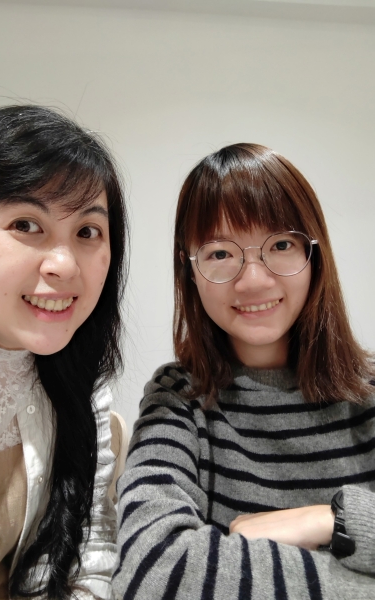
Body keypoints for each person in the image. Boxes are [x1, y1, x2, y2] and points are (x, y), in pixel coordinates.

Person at [113, 143, 375, 599]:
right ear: (189, 270)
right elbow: (150, 572)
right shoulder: (179, 399)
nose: (253, 280)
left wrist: (331, 520)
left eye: (281, 245)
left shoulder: (368, 392)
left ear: (314, 254)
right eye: (220, 254)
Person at [0, 105, 127, 600]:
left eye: (87, 232)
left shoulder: (87, 393)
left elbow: (88, 552)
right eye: (26, 224)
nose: (64, 265)